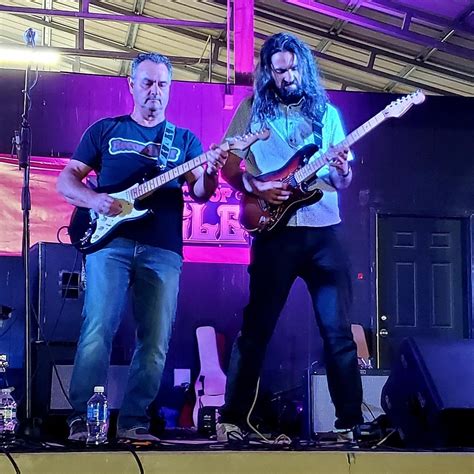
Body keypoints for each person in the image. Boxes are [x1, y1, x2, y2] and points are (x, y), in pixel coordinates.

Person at [57, 52, 227, 442]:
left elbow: (201, 192)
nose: (155, 91)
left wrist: (212, 170)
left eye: (162, 84)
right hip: (109, 244)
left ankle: (134, 420)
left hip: (162, 249)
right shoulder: (106, 130)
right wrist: (95, 200)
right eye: (148, 82)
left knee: (155, 338)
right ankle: (83, 418)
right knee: (98, 328)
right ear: (131, 85)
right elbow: (66, 181)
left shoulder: (183, 140)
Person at [216, 33, 363, 442]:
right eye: (279, 71)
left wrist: (342, 170)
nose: (288, 77)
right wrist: (256, 187)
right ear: (269, 71)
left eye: (294, 69)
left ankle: (350, 422)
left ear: (305, 67)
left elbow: (341, 179)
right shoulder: (251, 109)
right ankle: (233, 418)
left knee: (338, 330)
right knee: (256, 328)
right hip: (274, 231)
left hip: (324, 230)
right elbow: (228, 166)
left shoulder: (327, 114)